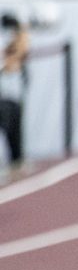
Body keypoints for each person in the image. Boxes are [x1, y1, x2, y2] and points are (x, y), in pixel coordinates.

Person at [0, 12, 29, 178]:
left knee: (14, 113)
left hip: (8, 99)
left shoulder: (13, 42)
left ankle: (16, 163)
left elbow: (13, 63)